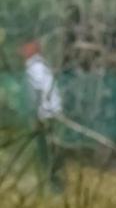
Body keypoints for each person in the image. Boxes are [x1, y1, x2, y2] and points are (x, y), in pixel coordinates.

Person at [19, 40, 65, 194]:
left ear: (33, 49)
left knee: (46, 152)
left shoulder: (35, 67)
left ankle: (54, 186)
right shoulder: (40, 65)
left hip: (45, 116)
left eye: (25, 47)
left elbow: (39, 93)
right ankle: (53, 184)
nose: (22, 50)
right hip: (51, 114)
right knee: (50, 151)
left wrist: (38, 115)